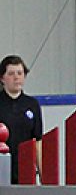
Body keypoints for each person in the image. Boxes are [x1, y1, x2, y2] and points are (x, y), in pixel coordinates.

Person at [0, 55, 41, 183]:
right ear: (2, 78)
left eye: (20, 73)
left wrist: (42, 172)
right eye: (11, 73)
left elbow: (38, 141)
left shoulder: (32, 104)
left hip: (25, 170)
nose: (16, 77)